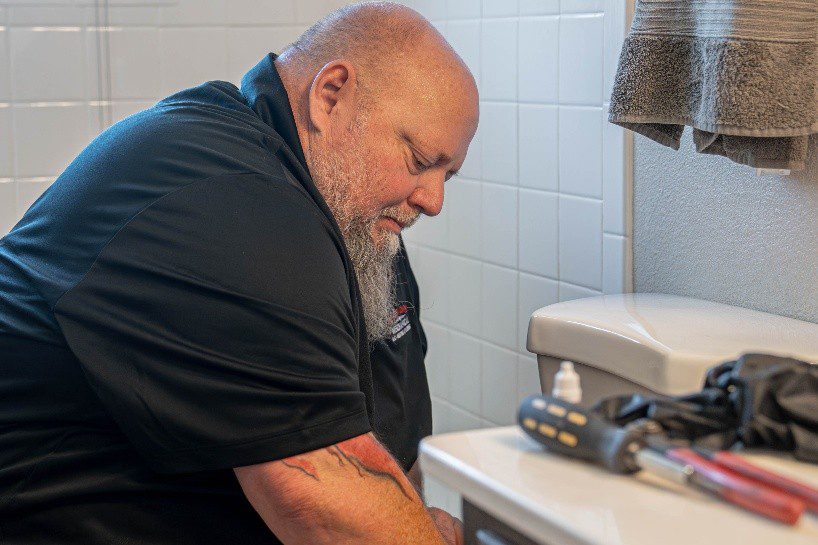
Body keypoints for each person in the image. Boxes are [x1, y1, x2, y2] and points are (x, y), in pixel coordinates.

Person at [0, 2, 478, 544]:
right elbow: (327, 508)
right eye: (418, 160)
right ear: (330, 96)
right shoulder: (225, 196)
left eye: (449, 174)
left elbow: (385, 455)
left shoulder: (360, 233)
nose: (434, 201)